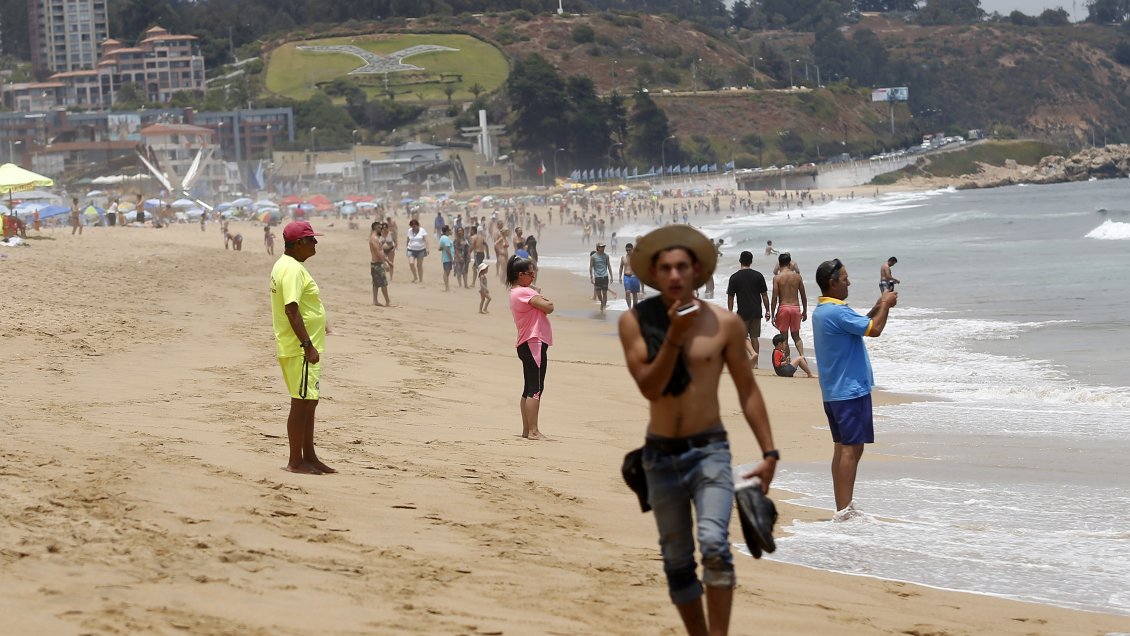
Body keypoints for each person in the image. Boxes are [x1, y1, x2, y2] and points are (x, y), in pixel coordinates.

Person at [618, 225, 778, 636]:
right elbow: (649, 387)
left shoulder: (724, 324)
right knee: (677, 561)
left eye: (682, 267)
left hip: (710, 450)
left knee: (715, 548)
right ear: (655, 274)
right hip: (660, 456)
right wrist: (673, 336)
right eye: (666, 268)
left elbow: (748, 389)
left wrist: (769, 453)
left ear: (697, 272)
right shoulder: (636, 322)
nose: (674, 275)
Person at [812, 258, 897, 520]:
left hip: (834, 392)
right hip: (849, 390)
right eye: (844, 278)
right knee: (851, 449)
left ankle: (843, 507)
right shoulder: (837, 312)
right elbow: (875, 329)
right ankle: (844, 510)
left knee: (843, 448)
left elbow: (860, 324)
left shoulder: (823, 311)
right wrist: (886, 304)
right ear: (832, 283)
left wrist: (878, 306)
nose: (849, 282)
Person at [269, 220, 335, 475]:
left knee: (310, 401)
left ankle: (310, 456)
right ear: (298, 244)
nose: (315, 243)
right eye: (311, 239)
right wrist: (307, 345)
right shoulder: (292, 269)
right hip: (300, 349)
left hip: (302, 347)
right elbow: (291, 309)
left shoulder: (288, 265)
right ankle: (296, 461)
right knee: (301, 402)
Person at [507, 255, 553, 440]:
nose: (533, 276)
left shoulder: (515, 292)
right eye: (531, 274)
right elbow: (549, 307)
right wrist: (538, 294)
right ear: (520, 275)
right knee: (536, 388)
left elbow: (544, 306)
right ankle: (533, 430)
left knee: (529, 388)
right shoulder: (524, 292)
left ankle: (527, 430)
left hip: (526, 342)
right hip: (533, 342)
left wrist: (536, 294)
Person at [726, 250, 770, 369]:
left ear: (740, 260)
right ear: (751, 261)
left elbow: (730, 297)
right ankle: (755, 364)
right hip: (756, 311)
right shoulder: (758, 275)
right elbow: (764, 295)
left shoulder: (734, 277)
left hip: (743, 312)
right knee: (754, 337)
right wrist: (768, 310)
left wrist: (730, 312)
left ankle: (752, 354)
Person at [771, 252, 808, 356]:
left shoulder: (777, 278)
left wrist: (773, 314)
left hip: (783, 308)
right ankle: (802, 357)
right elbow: (803, 296)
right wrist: (805, 311)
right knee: (796, 336)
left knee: (784, 338)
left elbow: (774, 298)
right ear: (790, 263)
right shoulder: (797, 277)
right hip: (795, 308)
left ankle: (787, 361)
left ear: (779, 264)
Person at [369, 221, 390, 307]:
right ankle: (388, 301)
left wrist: (387, 260)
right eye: (380, 228)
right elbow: (378, 252)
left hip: (375, 263)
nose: (381, 229)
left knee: (376, 283)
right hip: (377, 264)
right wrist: (384, 263)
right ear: (376, 228)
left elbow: (380, 251)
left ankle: (375, 300)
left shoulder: (375, 238)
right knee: (383, 283)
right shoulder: (374, 238)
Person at [590, 242, 612, 313]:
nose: (603, 248)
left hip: (605, 276)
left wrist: (611, 276)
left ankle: (603, 308)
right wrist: (591, 277)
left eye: (603, 247)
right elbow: (591, 267)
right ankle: (602, 302)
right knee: (598, 293)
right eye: (601, 247)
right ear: (598, 248)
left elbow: (609, 266)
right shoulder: (593, 257)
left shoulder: (606, 256)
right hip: (597, 277)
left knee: (604, 293)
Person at [405, 218, 428, 283]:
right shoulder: (409, 231)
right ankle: (415, 276)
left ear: (417, 225)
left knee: (419, 265)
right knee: (411, 263)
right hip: (411, 249)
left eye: (414, 225)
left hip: (421, 250)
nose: (413, 227)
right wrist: (407, 248)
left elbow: (426, 240)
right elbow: (408, 240)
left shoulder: (422, 230)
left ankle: (421, 279)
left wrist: (427, 248)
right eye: (412, 226)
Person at [619, 242, 641, 309]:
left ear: (632, 249)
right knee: (627, 292)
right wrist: (620, 277)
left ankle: (634, 308)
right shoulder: (623, 257)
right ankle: (629, 308)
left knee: (634, 294)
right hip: (626, 276)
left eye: (629, 250)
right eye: (627, 250)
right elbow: (621, 267)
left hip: (635, 277)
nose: (628, 251)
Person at [438, 225, 455, 291]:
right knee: (446, 273)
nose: (451, 231)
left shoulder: (443, 237)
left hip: (446, 257)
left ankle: (447, 287)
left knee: (446, 272)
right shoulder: (445, 238)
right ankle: (447, 288)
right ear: (447, 231)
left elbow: (440, 248)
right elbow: (447, 249)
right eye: (450, 230)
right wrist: (451, 259)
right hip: (447, 258)